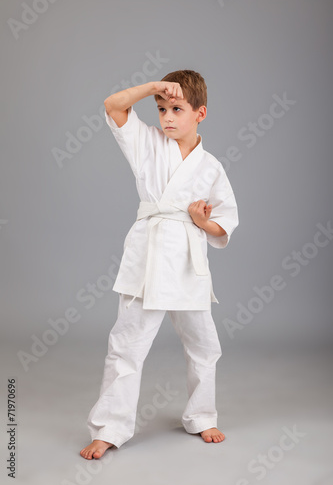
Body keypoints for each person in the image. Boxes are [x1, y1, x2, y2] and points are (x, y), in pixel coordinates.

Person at [80, 70, 239, 460]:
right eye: (162, 108)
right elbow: (113, 105)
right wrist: (153, 86)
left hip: (187, 261)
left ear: (200, 113)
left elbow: (225, 222)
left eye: (178, 109)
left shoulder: (211, 166)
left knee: (205, 345)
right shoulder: (146, 142)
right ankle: (110, 428)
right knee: (126, 346)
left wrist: (202, 222)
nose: (167, 117)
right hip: (147, 257)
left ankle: (202, 416)